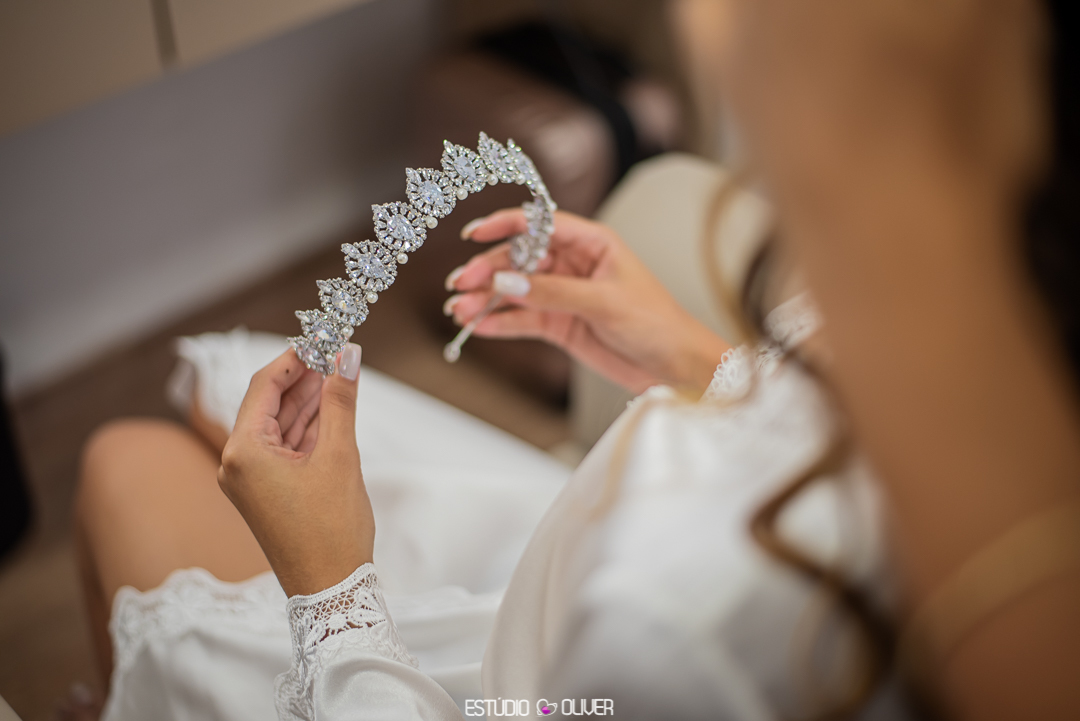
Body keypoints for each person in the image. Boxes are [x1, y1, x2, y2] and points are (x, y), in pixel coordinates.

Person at [73, 0, 1080, 719]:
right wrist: (701, 363)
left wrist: (332, 591)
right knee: (221, 396)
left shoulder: (684, 638)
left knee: (125, 465)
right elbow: (866, 447)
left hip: (538, 690)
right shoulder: (996, 298)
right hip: (573, 566)